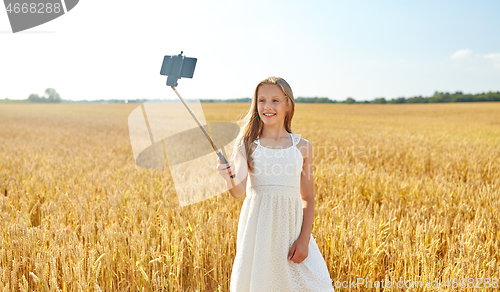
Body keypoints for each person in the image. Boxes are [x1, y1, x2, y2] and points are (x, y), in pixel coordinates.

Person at [216, 76, 335, 291]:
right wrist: (228, 176)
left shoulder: (303, 147)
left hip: (291, 230)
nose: (267, 107)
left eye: (275, 101)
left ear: (288, 104)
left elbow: (307, 197)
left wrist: (304, 240)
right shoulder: (246, 144)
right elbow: (238, 191)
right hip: (258, 230)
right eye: (261, 100)